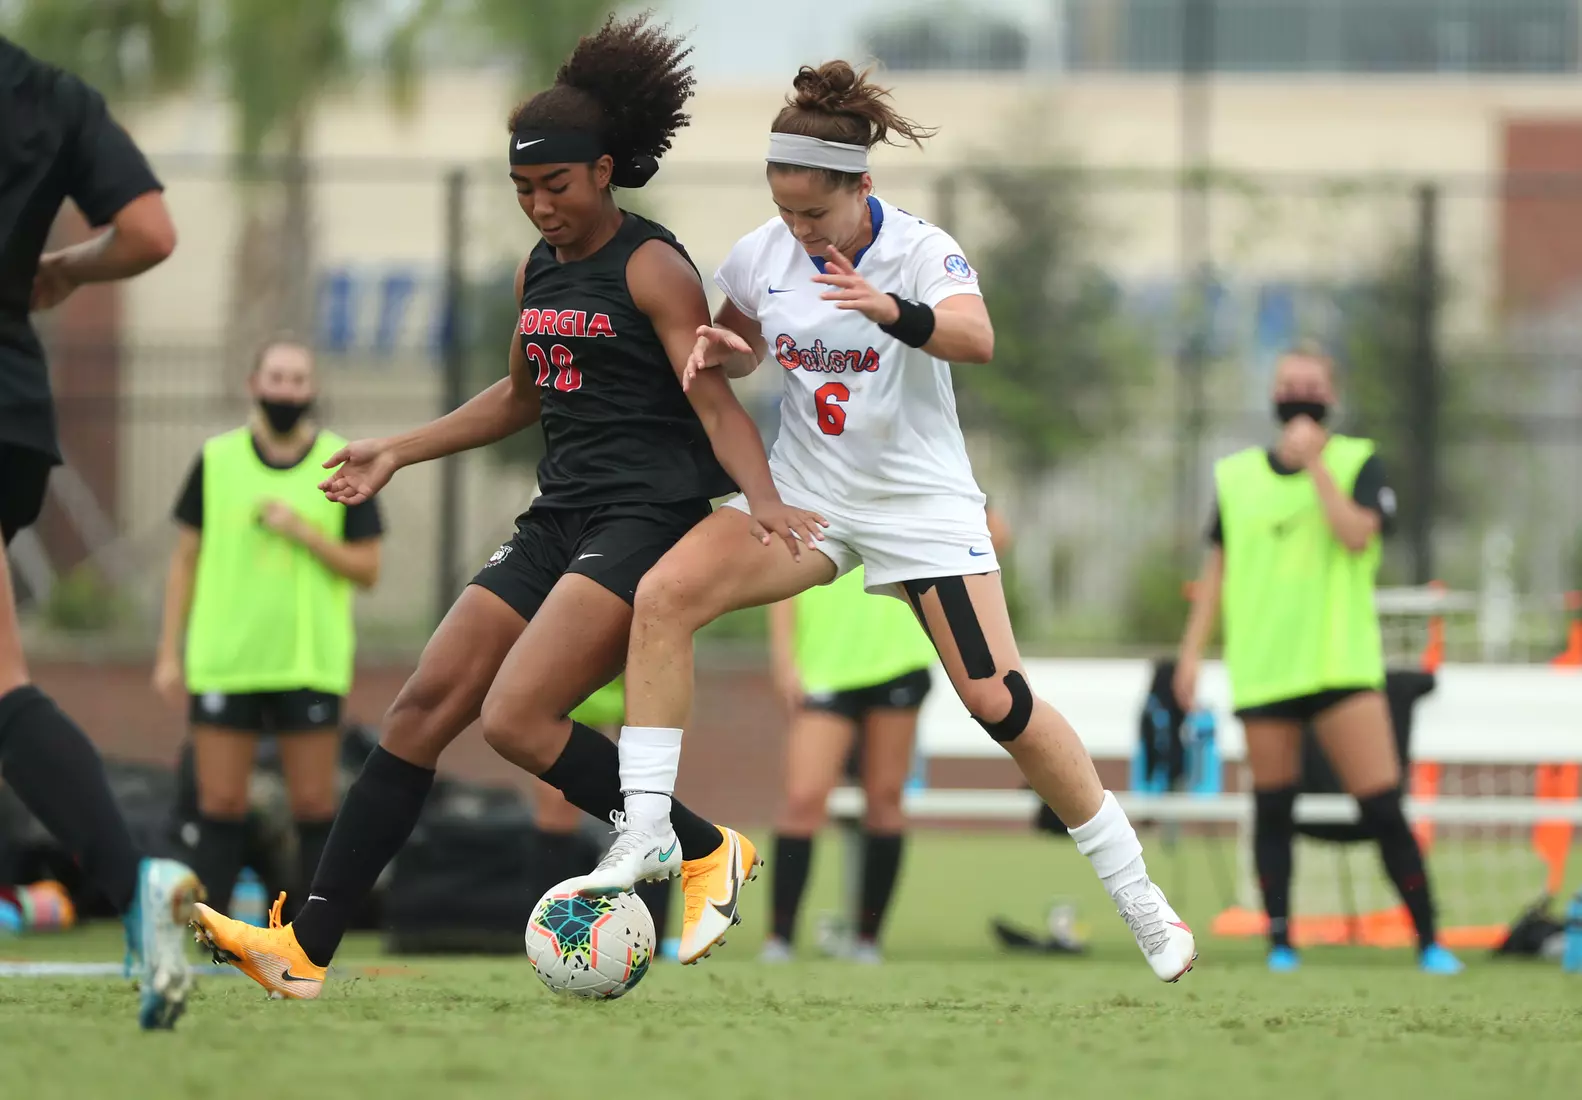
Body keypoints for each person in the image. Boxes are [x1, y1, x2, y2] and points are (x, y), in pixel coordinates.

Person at [190, 14, 819, 997]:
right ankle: (304, 947)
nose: (539, 206)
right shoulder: (542, 267)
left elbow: (713, 399)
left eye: (555, 186)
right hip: (556, 515)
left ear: (605, 170)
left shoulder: (656, 267)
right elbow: (522, 394)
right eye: (522, 189)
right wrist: (399, 447)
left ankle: (702, 849)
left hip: (642, 519)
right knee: (420, 707)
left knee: (517, 719)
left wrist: (768, 497)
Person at [569, 61, 1197, 984]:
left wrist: (889, 310)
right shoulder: (759, 254)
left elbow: (976, 337)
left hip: (920, 506)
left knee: (999, 703)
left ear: (863, 185)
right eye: (784, 210)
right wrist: (726, 350)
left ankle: (1140, 898)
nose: (798, 229)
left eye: (813, 214)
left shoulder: (917, 251)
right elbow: (742, 343)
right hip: (808, 501)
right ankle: (652, 832)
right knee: (662, 597)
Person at [0, 36, 202, 1029]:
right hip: (14, 410)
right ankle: (137, 888)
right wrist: (66, 269)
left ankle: (132, 881)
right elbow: (153, 232)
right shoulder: (52, 94)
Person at [1174, 346, 1462, 975]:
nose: (1298, 394)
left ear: (1330, 396)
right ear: (1272, 396)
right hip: (1265, 667)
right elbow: (1217, 570)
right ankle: (1281, 941)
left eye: (1310, 385)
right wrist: (1190, 654)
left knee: (1382, 805)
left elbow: (1358, 535)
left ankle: (1430, 940)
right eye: (1287, 384)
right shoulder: (1236, 477)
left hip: (1340, 669)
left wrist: (1318, 471)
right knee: (1273, 808)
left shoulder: (1358, 462)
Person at [152, 338, 383, 918]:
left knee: (312, 804)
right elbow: (184, 561)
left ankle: (308, 941)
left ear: (313, 390)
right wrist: (167, 653)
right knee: (221, 803)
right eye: (276, 378)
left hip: (307, 662)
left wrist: (304, 532)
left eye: (298, 380)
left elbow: (367, 569)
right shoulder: (216, 459)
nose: (286, 390)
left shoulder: (341, 462)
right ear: (254, 384)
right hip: (226, 660)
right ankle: (213, 938)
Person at [761, 507, 1009, 963]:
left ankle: (867, 941)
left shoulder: (910, 472)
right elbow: (783, 562)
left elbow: (994, 532)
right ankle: (779, 940)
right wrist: (782, 658)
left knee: (885, 798)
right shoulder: (813, 469)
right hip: (824, 661)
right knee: (803, 797)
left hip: (899, 655)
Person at [535, 676, 675, 948]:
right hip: (577, 654)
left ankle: (651, 936)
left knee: (655, 790)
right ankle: (549, 929)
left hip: (647, 654)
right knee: (555, 802)